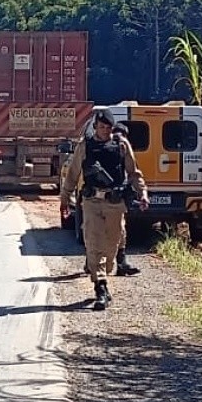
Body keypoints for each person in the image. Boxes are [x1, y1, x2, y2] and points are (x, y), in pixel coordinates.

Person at [77, 111, 147, 309]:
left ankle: (105, 272)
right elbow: (73, 172)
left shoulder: (122, 146)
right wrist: (65, 198)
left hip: (115, 203)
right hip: (91, 202)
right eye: (101, 127)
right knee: (93, 243)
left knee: (111, 244)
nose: (105, 131)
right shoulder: (85, 146)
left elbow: (134, 173)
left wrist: (143, 193)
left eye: (108, 128)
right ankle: (100, 287)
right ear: (95, 127)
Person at [112, 124, 141, 277]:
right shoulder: (98, 146)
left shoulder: (122, 148)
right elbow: (134, 173)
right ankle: (119, 263)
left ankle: (121, 264)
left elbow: (132, 172)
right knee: (98, 233)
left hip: (113, 197)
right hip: (101, 197)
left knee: (118, 231)